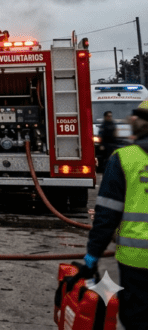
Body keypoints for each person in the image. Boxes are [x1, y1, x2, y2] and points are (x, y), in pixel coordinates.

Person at [84, 98, 148, 329]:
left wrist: (92, 255)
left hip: (138, 260)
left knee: (137, 319)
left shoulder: (125, 158)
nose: (131, 119)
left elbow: (107, 215)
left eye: (137, 116)